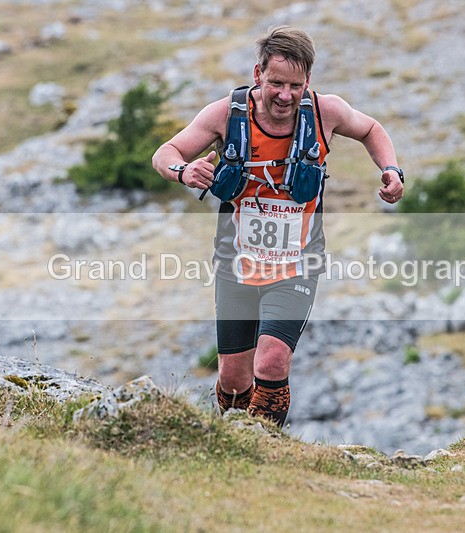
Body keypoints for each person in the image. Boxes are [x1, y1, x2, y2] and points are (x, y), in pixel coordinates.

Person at [152, 26, 403, 427]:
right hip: (236, 264)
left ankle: (264, 445)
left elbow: (372, 129)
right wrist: (184, 170)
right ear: (258, 75)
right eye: (276, 83)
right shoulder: (226, 115)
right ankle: (233, 443)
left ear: (308, 82)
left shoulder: (326, 111)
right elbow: (165, 153)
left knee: (270, 359)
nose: (285, 95)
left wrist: (390, 169)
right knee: (233, 380)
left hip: (296, 265)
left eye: (296, 85)